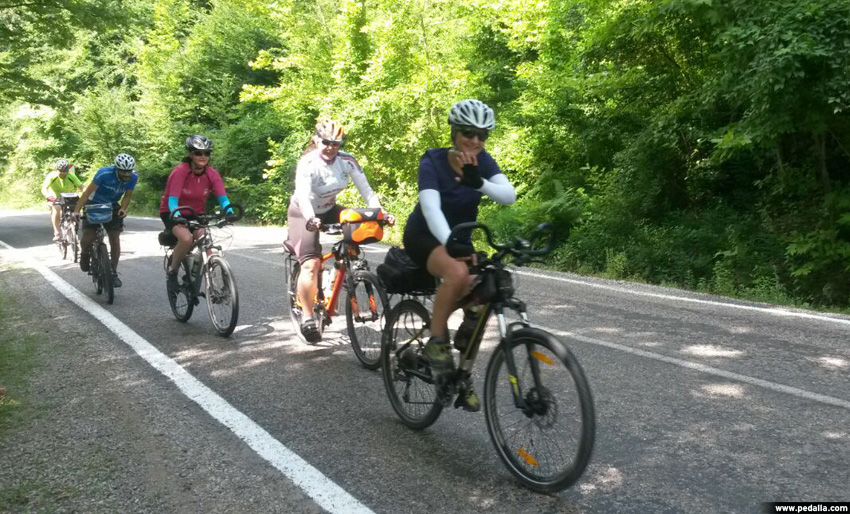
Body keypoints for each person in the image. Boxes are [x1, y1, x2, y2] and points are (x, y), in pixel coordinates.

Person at [402, 99, 516, 411]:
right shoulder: (433, 161)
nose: (475, 140)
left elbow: (509, 196)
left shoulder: (483, 162)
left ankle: (461, 372)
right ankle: (437, 346)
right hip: (425, 235)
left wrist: (478, 182)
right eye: (468, 133)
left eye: (483, 135)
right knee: (456, 273)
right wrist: (451, 244)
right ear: (454, 132)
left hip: (459, 241)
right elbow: (431, 209)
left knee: (487, 289)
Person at [286, 119, 392, 343]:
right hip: (303, 213)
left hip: (329, 209)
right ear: (316, 140)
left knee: (358, 227)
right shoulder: (308, 162)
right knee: (311, 264)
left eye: (336, 143)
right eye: (326, 142)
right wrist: (311, 218)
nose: (331, 147)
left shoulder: (347, 160)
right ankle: (307, 317)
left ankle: (338, 277)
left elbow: (367, 191)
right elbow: (303, 195)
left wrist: (380, 213)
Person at [160, 135, 233, 292]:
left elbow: (222, 197)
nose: (203, 156)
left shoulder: (211, 173)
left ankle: (202, 280)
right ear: (190, 154)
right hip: (172, 211)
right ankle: (172, 271)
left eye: (207, 153)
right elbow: (172, 200)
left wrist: (229, 211)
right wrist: (177, 216)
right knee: (186, 239)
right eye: (198, 153)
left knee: (205, 241)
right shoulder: (180, 171)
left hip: (195, 213)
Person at [73, 153, 138, 287]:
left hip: (112, 205)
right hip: (94, 203)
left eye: (129, 171)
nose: (127, 174)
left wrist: (123, 208)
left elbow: (127, 196)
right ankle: (84, 253)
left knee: (115, 238)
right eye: (123, 171)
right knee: (89, 236)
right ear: (116, 169)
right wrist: (77, 210)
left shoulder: (133, 177)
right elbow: (86, 193)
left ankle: (113, 272)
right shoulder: (104, 174)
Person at [41, 159, 83, 241]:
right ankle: (57, 232)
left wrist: (85, 195)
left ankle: (74, 230)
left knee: (77, 212)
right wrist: (48, 196)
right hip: (55, 198)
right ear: (56, 170)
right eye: (60, 171)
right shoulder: (52, 176)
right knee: (56, 210)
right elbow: (44, 188)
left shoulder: (71, 176)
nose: (63, 173)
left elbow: (82, 187)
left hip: (70, 197)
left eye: (65, 171)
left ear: (67, 170)